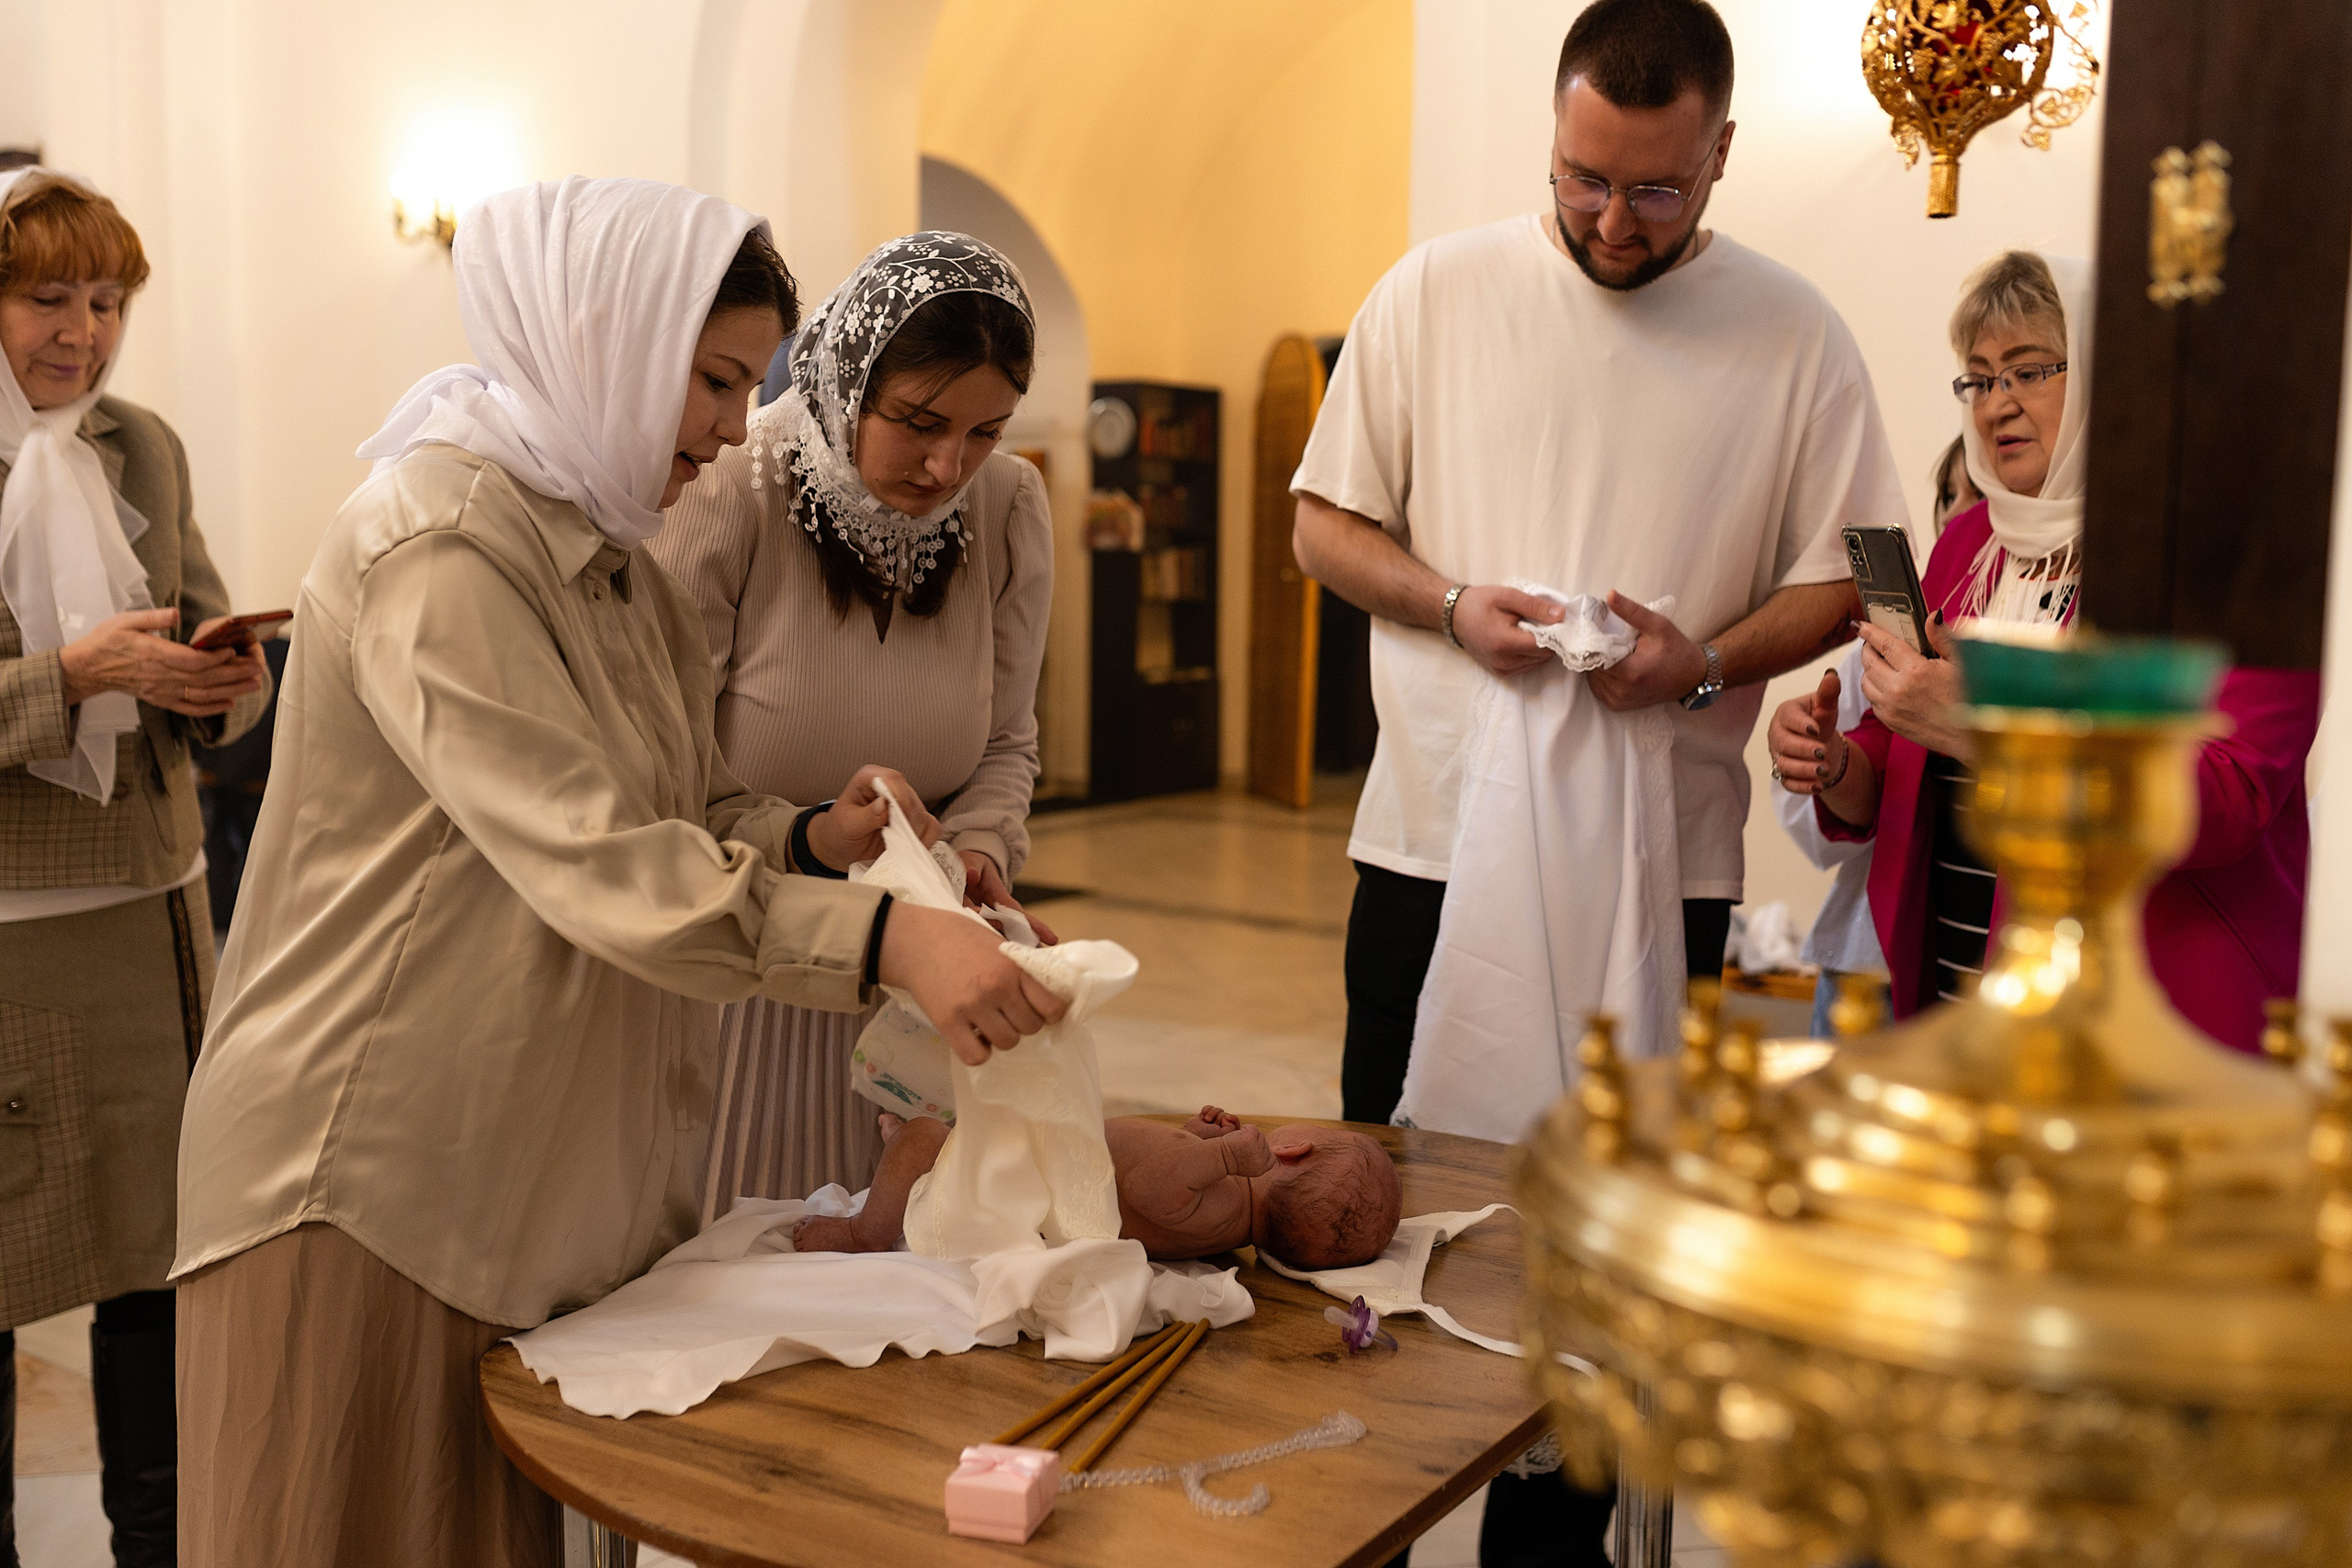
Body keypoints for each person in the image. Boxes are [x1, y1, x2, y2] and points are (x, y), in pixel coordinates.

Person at [169, 177, 1066, 1568]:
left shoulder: (616, 549)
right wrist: (884, 935)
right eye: (710, 381)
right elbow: (595, 856)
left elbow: (689, 798)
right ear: (602, 339)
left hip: (529, 1161)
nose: (727, 425)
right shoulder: (440, 545)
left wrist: (809, 835)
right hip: (372, 1175)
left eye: (745, 383)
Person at [1289, 2, 1902, 1559]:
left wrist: (1696, 664)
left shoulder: (1793, 332)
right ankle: (1360, 1509)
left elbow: (1845, 578)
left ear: (1721, 157)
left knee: (1596, 1257)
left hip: (1661, 875)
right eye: (1581, 178)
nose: (1610, 219)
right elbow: (1323, 524)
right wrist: (1447, 603)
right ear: (1553, 139)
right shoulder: (1435, 290)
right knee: (1385, 1220)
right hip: (1429, 848)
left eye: (1654, 190)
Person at [1770, 251, 2321, 1048]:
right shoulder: (1967, 544)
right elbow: (1913, 755)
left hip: (2152, 1013)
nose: (1999, 405)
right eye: (1982, 378)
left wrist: (1990, 722)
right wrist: (1840, 766)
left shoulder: (2225, 559)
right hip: (1960, 983)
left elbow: (2226, 801)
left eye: (2030, 372)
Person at [650, 231, 1053, 1214]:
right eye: (916, 421)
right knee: (740, 1253)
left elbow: (1006, 739)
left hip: (923, 984)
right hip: (742, 968)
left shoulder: (1006, 506)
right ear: (844, 377)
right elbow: (663, 772)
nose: (945, 464)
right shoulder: (726, 485)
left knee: (891, 1273)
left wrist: (979, 848)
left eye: (985, 432)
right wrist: (817, 844)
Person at [0, 167, 270, 1567]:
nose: (83, 330)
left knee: (161, 1281)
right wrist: (67, 675)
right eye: (49, 295)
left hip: (164, 918)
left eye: (107, 300)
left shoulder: (143, 445)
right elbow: (64, 675)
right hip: (17, 942)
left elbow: (216, 637)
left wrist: (225, 678)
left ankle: (161, 1547)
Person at [1774, 437, 1978, 1037]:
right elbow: (1824, 835)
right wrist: (1824, 758)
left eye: (1980, 493)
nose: (1959, 511)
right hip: (1867, 963)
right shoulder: (1880, 654)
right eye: (1948, 494)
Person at [791, 1106, 1403, 1270]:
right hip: (1024, 1175)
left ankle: (862, 1229)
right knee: (956, 1133)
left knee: (927, 1136)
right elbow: (1156, 1202)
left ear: (1294, 1149)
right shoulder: (1225, 1226)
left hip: (1004, 1192)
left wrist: (1219, 1152)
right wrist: (1194, 1137)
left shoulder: (1220, 1196)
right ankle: (915, 1161)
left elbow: (1148, 1185)